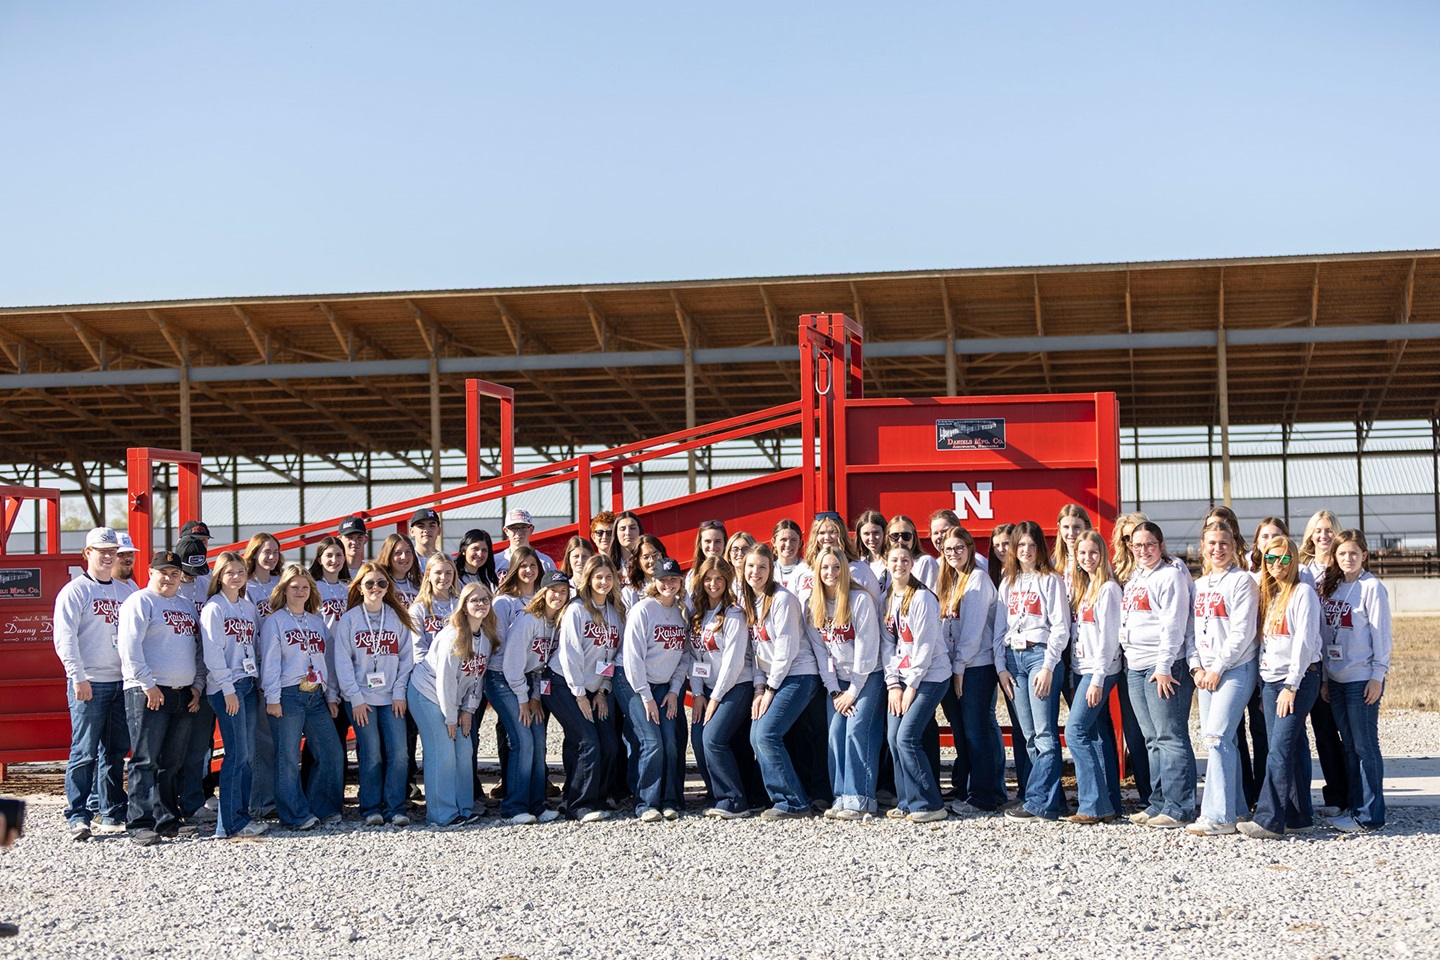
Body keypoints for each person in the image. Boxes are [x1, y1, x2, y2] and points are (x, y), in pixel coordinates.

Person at [1237, 535, 1322, 840]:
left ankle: (1269, 819)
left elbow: (1304, 643)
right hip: (1271, 682)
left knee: (1279, 751)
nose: (1277, 564)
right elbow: (1266, 645)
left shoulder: (1303, 594)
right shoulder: (1270, 596)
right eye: (1270, 559)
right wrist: (1264, 687)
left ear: (1294, 560)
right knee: (1290, 747)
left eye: (1284, 558)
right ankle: (1298, 816)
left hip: (1296, 680)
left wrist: (1291, 685)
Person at [53, 526, 135, 840]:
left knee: (115, 752)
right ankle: (77, 815)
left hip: (121, 682)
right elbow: (64, 639)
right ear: (88, 553)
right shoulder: (75, 591)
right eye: (101, 551)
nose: (107, 556)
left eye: (112, 551)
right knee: (84, 751)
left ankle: (111, 810)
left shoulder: (125, 591)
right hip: (90, 682)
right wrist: (78, 677)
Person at [118, 550, 204, 846]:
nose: (169, 578)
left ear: (182, 577)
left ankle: (167, 819)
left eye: (175, 573)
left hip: (182, 693)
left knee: (172, 762)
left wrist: (198, 685)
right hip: (149, 693)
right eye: (163, 572)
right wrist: (147, 684)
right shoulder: (140, 601)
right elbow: (129, 648)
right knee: (145, 760)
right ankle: (139, 822)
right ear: (150, 572)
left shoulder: (186, 606)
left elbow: (197, 648)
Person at [1119, 521, 1197, 829]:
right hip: (1135, 665)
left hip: (1161, 666)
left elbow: (1173, 625)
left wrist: (1164, 666)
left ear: (1160, 545)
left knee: (1171, 735)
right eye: (1137, 546)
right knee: (1152, 738)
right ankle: (1158, 801)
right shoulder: (1135, 576)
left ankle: (1180, 806)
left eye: (1149, 544)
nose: (1143, 550)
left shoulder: (1170, 576)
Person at [1184, 520, 1259, 837]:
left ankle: (1218, 816)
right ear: (1203, 546)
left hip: (1236, 668)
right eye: (1212, 543)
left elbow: (1242, 633)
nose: (1218, 549)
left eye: (1224, 543)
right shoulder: (1199, 585)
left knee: (1216, 737)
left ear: (1235, 546)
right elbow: (1191, 632)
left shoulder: (1242, 583)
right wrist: (1196, 667)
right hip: (1206, 673)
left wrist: (1218, 668)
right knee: (1218, 740)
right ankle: (1238, 807)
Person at [993, 521, 1070, 822]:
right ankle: (1053, 801)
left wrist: (1049, 666)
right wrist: (1000, 667)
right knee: (1028, 736)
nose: (1025, 550)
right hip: (1014, 661)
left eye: (1031, 545)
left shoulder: (1051, 580)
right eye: (1020, 545)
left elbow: (1060, 628)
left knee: (1045, 734)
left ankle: (1039, 803)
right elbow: (999, 630)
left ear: (1040, 548)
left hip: (1040, 657)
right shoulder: (1007, 582)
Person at [260, 564, 344, 831]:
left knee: (330, 751)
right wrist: (272, 698)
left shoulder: (317, 622)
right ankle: (294, 814)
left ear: (311, 591)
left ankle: (323, 808)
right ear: (283, 589)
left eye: (305, 587)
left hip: (316, 696)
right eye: (294, 586)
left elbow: (327, 661)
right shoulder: (275, 621)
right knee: (287, 757)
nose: (300, 591)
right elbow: (270, 662)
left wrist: (331, 695)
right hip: (287, 694)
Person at [334, 561, 417, 827]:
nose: (376, 588)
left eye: (382, 583)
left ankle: (394, 807)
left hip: (392, 697)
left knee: (400, 753)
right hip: (361, 700)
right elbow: (342, 662)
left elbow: (407, 659)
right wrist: (355, 698)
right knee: (371, 754)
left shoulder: (396, 616)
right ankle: (370, 807)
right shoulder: (349, 620)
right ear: (359, 587)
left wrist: (400, 693)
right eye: (369, 583)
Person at [1319, 530, 1391, 833]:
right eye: (1342, 553)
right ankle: (1354, 806)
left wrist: (1377, 676)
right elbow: (1324, 636)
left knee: (1365, 746)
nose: (1347, 558)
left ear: (1364, 555)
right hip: (1335, 677)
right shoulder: (1331, 588)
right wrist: (1324, 678)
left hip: (1361, 678)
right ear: (1334, 556)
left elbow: (1381, 636)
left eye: (1354, 553)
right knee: (1349, 746)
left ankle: (1370, 815)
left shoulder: (1372, 588)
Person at [806, 547, 884, 820]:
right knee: (836, 733)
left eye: (836, 567)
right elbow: (820, 651)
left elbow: (867, 648)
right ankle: (841, 796)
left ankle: (861, 798)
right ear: (817, 571)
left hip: (868, 675)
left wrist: (852, 690)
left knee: (857, 730)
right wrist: (834, 690)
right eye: (825, 568)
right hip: (838, 682)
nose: (831, 573)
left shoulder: (860, 599)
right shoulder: (813, 604)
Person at [408, 581, 493, 826]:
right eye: (474, 600)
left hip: (455, 702)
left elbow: (477, 678)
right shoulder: (453, 636)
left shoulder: (484, 637)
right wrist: (450, 718)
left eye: (485, 600)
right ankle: (442, 815)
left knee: (464, 751)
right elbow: (445, 680)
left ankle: (463, 808)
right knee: (443, 751)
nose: (480, 604)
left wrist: (468, 710)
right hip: (427, 694)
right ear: (463, 606)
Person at [936, 526, 1005, 815]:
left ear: (970, 548)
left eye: (959, 548)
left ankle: (985, 796)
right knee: (962, 732)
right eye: (948, 549)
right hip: (955, 666)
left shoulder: (977, 580)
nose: (953, 553)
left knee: (977, 731)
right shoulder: (949, 579)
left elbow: (974, 631)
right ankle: (966, 790)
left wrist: (960, 668)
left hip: (976, 666)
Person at [552, 556, 625, 822]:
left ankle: (595, 796)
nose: (603, 582)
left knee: (608, 742)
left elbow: (614, 654)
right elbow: (570, 654)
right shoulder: (577, 609)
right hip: (563, 684)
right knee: (587, 741)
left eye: (608, 577)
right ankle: (577, 805)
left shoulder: (616, 612)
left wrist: (602, 691)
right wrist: (580, 694)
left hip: (595, 690)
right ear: (588, 579)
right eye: (598, 577)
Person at [199, 551, 266, 838]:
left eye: (240, 571)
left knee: (247, 755)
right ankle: (227, 824)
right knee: (236, 755)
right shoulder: (214, 608)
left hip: (248, 683)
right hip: (228, 687)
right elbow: (213, 654)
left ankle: (241, 814)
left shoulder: (247, 607)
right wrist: (227, 689)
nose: (236, 576)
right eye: (230, 572)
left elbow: (254, 646)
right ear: (219, 576)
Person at [621, 556, 690, 821]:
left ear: (680, 582)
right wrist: (645, 696)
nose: (668, 584)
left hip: (666, 685)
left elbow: (684, 655)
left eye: (673, 579)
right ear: (654, 581)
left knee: (671, 742)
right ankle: (646, 803)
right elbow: (632, 657)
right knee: (652, 741)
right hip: (636, 683)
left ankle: (670, 799)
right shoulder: (643, 609)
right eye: (663, 579)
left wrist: (674, 691)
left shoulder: (682, 612)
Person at [688, 557, 755, 819]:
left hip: (736, 685)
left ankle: (734, 800)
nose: (713, 584)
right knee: (697, 739)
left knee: (713, 739)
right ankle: (716, 794)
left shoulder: (734, 614)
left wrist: (714, 698)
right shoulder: (696, 614)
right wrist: (698, 694)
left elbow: (734, 662)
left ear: (727, 581)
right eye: (707, 578)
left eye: (719, 579)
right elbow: (694, 659)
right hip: (707, 690)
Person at [1065, 530, 1122, 824]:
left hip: (1099, 670)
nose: (1087, 558)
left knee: (1075, 732)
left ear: (1103, 555)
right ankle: (1110, 802)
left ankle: (1092, 804)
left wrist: (1098, 679)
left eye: (1093, 553)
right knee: (1098, 737)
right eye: (1082, 553)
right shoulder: (1083, 587)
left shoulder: (1108, 589)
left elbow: (1109, 640)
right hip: (1082, 669)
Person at [503, 570, 569, 824]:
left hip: (531, 682)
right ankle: (514, 807)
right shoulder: (528, 621)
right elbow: (511, 667)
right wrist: (525, 698)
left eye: (563, 592)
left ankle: (537, 804)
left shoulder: (557, 623)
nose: (558, 596)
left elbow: (542, 667)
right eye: (553, 590)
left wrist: (535, 696)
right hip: (506, 679)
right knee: (524, 740)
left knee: (539, 741)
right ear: (543, 592)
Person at [1299, 509, 1350, 816]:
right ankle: (1323, 796)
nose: (1323, 535)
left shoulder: (1343, 568)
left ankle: (1343, 795)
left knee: (1337, 732)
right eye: (1318, 530)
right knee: (1318, 731)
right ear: (1310, 534)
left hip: (1339, 662)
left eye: (1329, 530)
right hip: (1310, 662)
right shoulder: (1304, 570)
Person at [242, 532, 282, 819]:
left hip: (283, 667)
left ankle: (279, 796)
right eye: (265, 551)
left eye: (275, 552)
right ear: (254, 553)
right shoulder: (245, 587)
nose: (270, 556)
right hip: (256, 668)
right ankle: (260, 802)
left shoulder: (282, 585)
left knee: (282, 740)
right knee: (261, 740)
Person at [494, 508, 557, 575]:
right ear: (506, 531)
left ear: (531, 530)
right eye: (513, 528)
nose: (519, 533)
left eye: (523, 528)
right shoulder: (496, 561)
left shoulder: (545, 562)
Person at [377, 533, 422, 607]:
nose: (404, 557)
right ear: (388, 555)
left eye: (408, 552)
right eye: (398, 553)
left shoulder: (419, 585)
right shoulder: (380, 585)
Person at [854, 509, 888, 586]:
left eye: (876, 532)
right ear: (860, 535)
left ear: (885, 532)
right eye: (866, 534)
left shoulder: (894, 561)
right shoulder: (858, 563)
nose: (871, 538)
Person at [770, 519, 805, 589]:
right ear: (774, 542)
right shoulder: (768, 571)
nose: (788, 544)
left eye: (793, 540)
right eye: (783, 539)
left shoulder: (808, 568)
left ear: (800, 543)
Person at [409, 508, 445, 572]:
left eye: (432, 526)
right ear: (412, 531)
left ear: (439, 531)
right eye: (421, 526)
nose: (426, 530)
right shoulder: (405, 561)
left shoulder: (448, 561)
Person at [338, 515, 368, 580]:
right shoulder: (331, 571)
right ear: (339, 539)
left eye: (359, 537)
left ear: (365, 539)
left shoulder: (371, 571)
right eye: (349, 537)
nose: (354, 542)